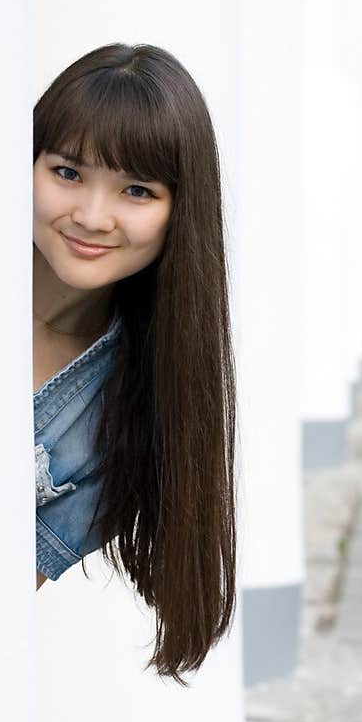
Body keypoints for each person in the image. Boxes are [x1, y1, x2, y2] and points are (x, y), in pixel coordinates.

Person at [32, 43, 237, 685]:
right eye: (67, 172)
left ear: (181, 211)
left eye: (137, 190)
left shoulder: (127, 417)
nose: (92, 216)